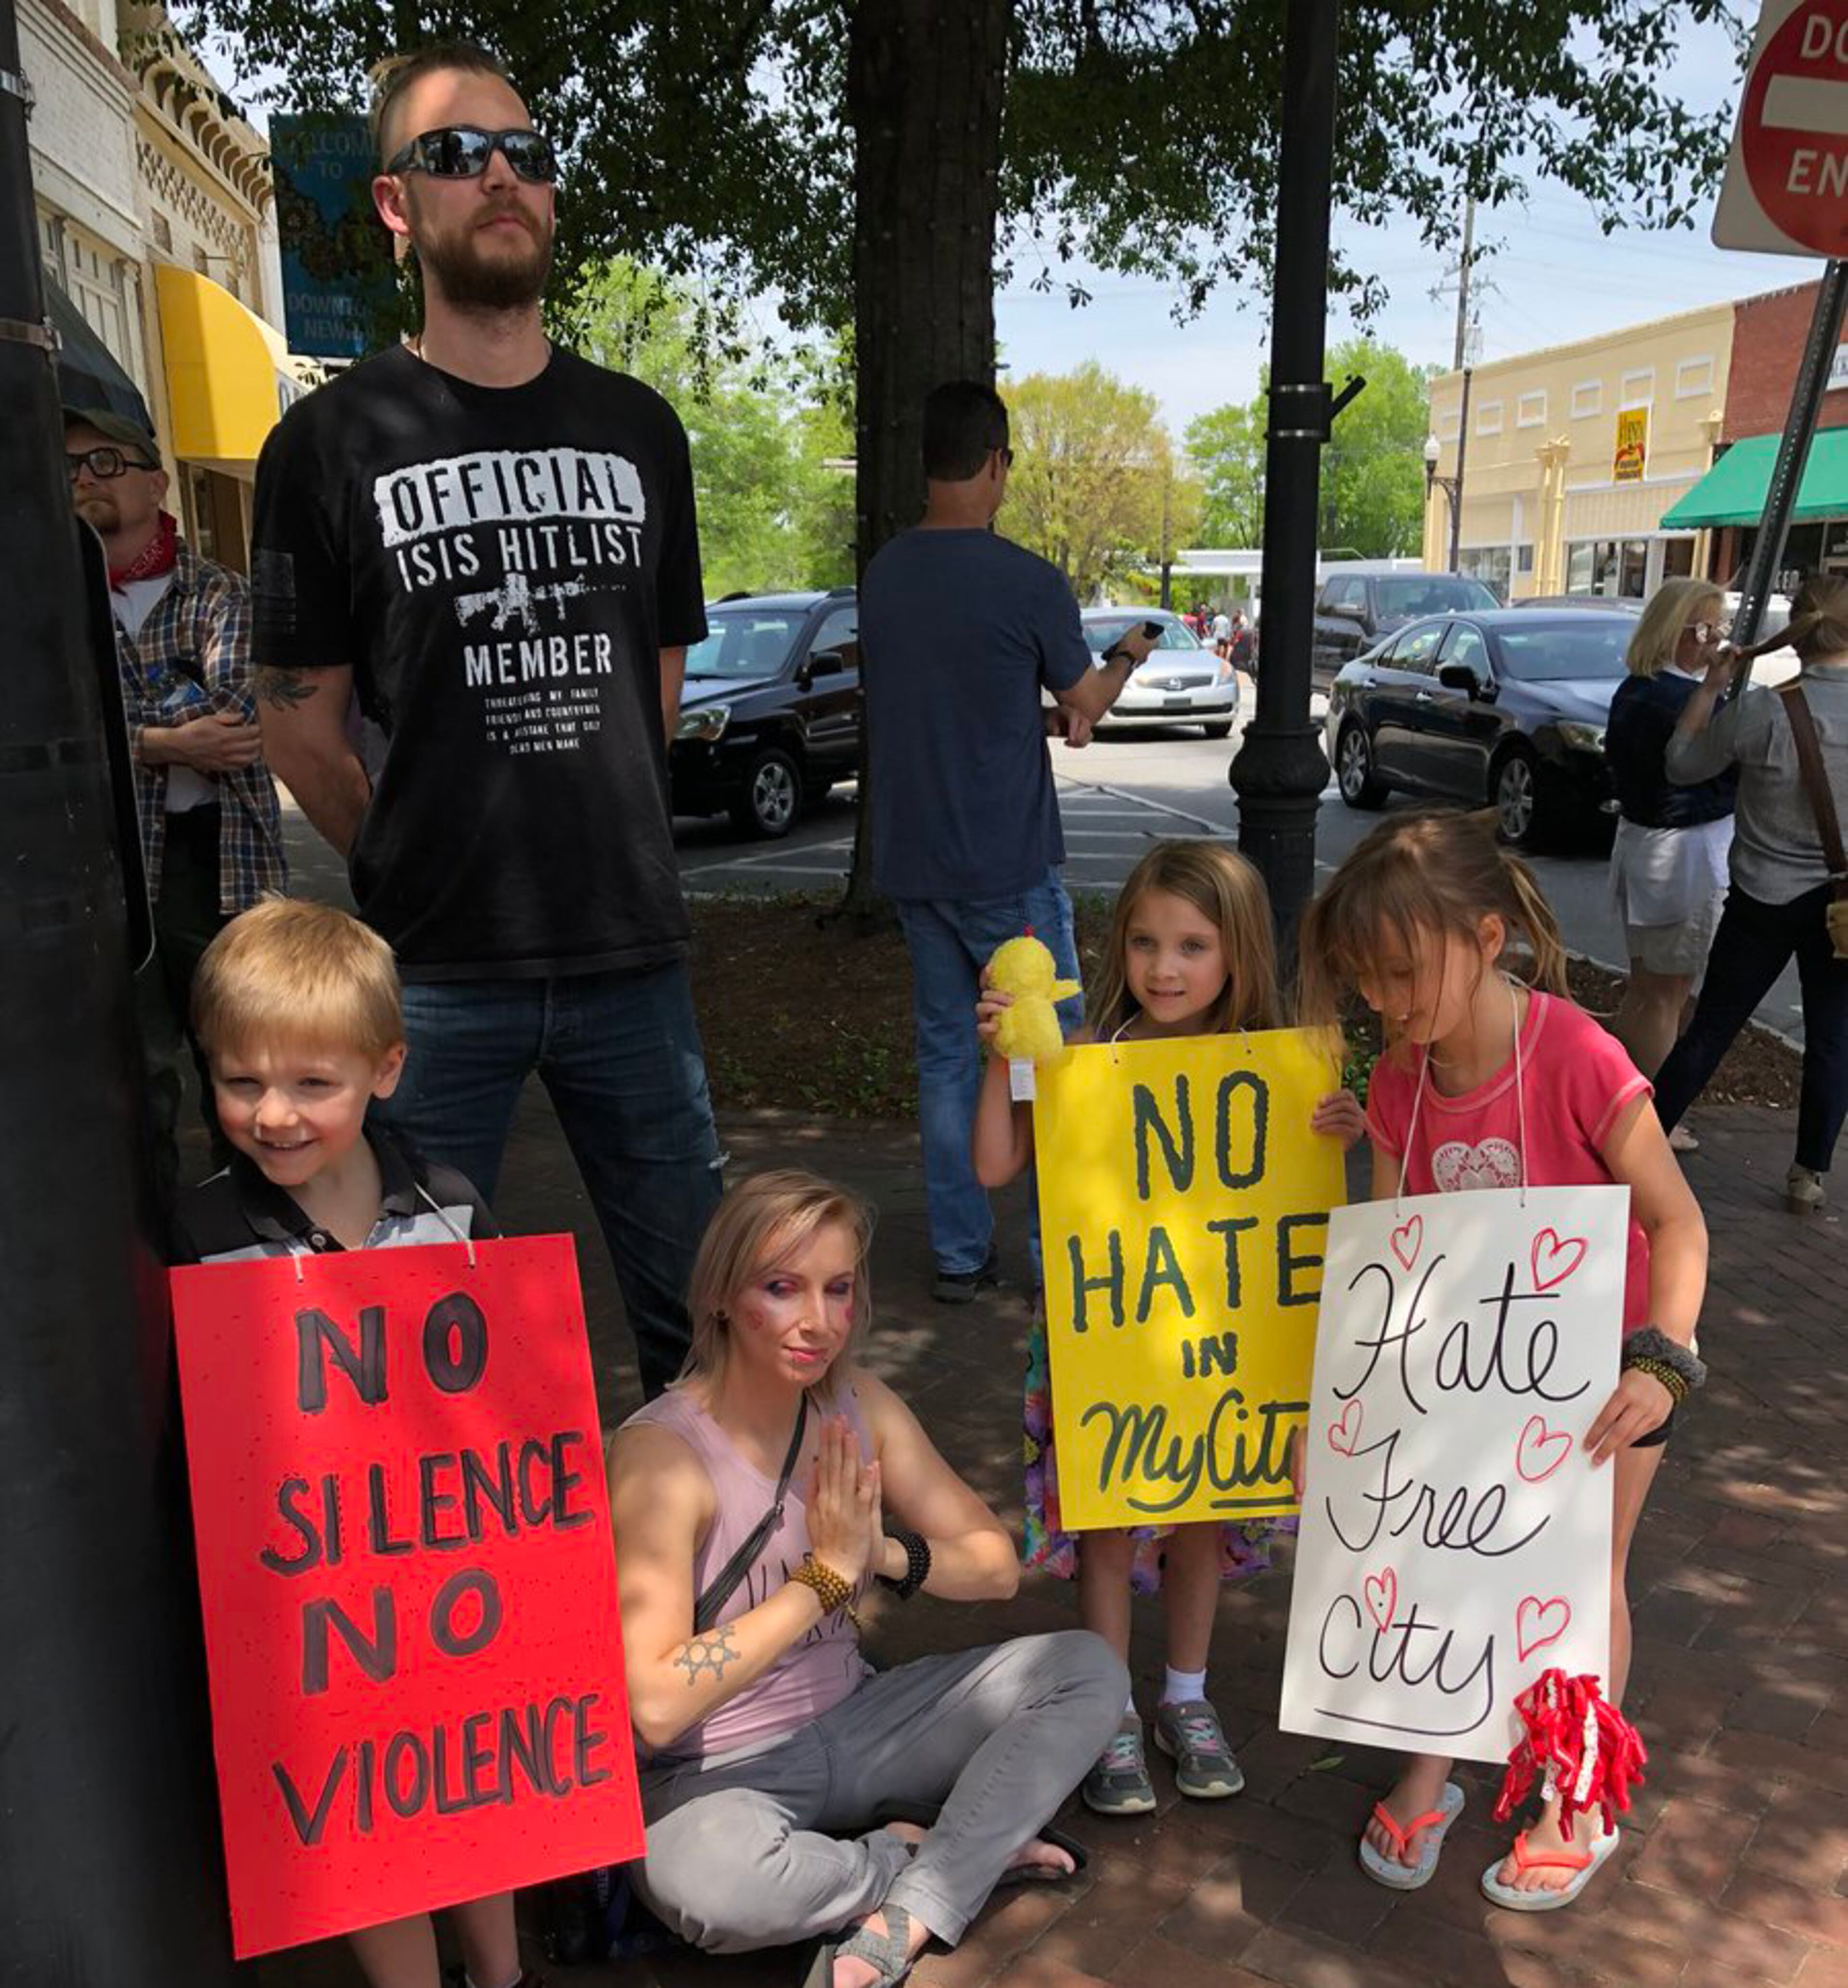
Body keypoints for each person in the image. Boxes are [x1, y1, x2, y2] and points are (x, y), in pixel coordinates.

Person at [246, 42, 721, 1395]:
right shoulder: (326, 444)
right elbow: (299, 728)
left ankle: (719, 1541)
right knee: (401, 1339)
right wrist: (408, 855)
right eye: (457, 154)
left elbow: (656, 683)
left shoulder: (639, 427)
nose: (501, 175)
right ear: (399, 206)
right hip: (434, 972)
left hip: (631, 956)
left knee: (708, 1321)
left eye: (527, 151)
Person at [1296, 810, 1708, 1910]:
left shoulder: (1575, 1054)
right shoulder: (1401, 1076)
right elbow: (1393, 1257)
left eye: (1401, 972)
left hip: (1609, 1381)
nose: (1383, 999)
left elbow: (1678, 1223)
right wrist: (1342, 1418)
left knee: (1581, 1578)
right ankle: (1430, 1758)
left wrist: (1661, 1363)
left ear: (1485, 938)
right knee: (1447, 1561)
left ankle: (1576, 1794)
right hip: (1465, 1382)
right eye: (1365, 978)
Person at [606, 1170, 1126, 1988]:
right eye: (782, 1288)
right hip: (719, 1772)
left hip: (860, 1718)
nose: (818, 1321)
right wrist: (823, 1578)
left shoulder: (859, 1405)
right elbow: (658, 1705)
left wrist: (878, 1553)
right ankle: (930, 1858)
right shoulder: (662, 1457)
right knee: (707, 1886)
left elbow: (995, 1566)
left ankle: (912, 1905)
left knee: (1086, 1669)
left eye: (838, 1288)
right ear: (720, 1296)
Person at [168, 898, 539, 1988]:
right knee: (365, 1821)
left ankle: (502, 1974)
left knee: (477, 1786)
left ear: (385, 1070)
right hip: (312, 1611)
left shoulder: (451, 1210)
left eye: (311, 1084)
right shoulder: (199, 1236)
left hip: (452, 1587)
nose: (274, 1114)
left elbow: (514, 1401)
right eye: (242, 1082)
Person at [971, 840, 1364, 1816]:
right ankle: (1104, 1709)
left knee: (1203, 1519)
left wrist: (1349, 1130)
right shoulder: (1081, 1060)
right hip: (1105, 1338)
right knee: (1107, 1525)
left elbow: (1312, 1196)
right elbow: (993, 1166)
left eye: (1193, 945)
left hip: (1224, 1341)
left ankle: (1186, 1696)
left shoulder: (1280, 1071)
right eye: (1145, 942)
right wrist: (1004, 1061)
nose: (1165, 967)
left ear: (1239, 953)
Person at [859, 381, 1155, 1302]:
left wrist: (1027, 716)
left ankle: (961, 1255)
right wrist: (1127, 653)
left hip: (915, 862)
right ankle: (1061, 1255)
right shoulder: (1028, 580)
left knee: (949, 1056)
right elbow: (1089, 699)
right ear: (996, 462)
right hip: (1006, 863)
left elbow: (938, 699)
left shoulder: (885, 576)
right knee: (1048, 1057)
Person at [66, 407, 287, 1199]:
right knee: (138, 1075)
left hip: (218, 860)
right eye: (70, 467)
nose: (84, 479)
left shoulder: (221, 594)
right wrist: (165, 739)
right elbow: (50, 731)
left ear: (157, 483)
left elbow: (234, 721)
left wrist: (114, 735)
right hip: (108, 866)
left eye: (105, 462)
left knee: (247, 1058)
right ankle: (155, 1247)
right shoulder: (54, 605)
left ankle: (260, 1231)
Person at [1654, 573, 1848, 1213]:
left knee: (1711, 1028)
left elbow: (1681, 764)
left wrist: (1713, 686)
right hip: (1842, 907)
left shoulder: (1765, 709)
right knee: (1833, 1036)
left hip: (1762, 897)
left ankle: (1642, 1140)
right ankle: (1809, 1174)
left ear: (1797, 631)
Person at [1604, 577, 1737, 1148]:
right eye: (1705, 628)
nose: (1715, 639)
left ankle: (1619, 1102)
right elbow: (1721, 767)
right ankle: (1653, 1120)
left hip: (1645, 848)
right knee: (1667, 995)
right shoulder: (1684, 700)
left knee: (1645, 990)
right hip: (1684, 857)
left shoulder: (1636, 689)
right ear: (1676, 632)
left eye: (1719, 627)